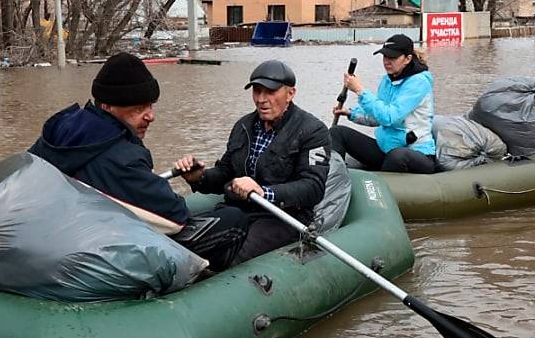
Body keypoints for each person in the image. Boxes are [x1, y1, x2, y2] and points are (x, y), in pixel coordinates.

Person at [29, 52, 247, 264]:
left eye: (151, 105)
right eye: (139, 108)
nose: (150, 116)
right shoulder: (122, 156)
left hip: (51, 237)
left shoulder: (60, 128)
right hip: (93, 252)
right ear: (108, 107)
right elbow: (175, 216)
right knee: (233, 220)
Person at [174, 59, 330, 270]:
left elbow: (313, 187)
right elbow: (226, 172)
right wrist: (199, 178)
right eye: (257, 91)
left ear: (290, 93)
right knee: (188, 246)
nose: (261, 99)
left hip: (282, 216)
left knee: (232, 260)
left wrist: (264, 192)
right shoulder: (243, 126)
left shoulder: (313, 130)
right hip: (237, 210)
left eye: (270, 92)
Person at [330, 34, 437, 174]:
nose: (387, 61)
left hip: (417, 153)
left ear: (408, 59)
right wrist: (351, 113)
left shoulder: (419, 82)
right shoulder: (387, 81)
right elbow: (378, 118)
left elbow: (389, 117)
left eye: (392, 57)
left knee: (397, 155)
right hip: (386, 149)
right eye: (385, 57)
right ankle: (332, 177)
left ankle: (379, 184)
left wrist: (360, 91)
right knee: (337, 133)